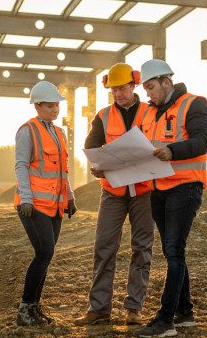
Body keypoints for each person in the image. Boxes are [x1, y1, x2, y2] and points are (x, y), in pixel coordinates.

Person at [132, 59, 207, 338]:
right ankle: (185, 312)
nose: (148, 94)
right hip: (158, 189)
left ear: (167, 82)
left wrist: (172, 151)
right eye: (145, 89)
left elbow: (203, 141)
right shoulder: (149, 113)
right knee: (172, 251)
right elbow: (139, 149)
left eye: (151, 87)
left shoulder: (194, 103)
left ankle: (166, 321)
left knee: (175, 250)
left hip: (185, 188)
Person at [74, 64, 154, 326]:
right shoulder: (103, 116)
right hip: (113, 191)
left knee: (142, 249)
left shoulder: (151, 112)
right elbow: (91, 147)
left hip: (143, 191)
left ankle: (134, 308)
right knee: (104, 247)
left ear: (134, 86)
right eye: (113, 90)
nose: (118, 94)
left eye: (121, 89)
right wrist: (97, 166)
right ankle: (99, 309)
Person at [13, 80, 77, 326]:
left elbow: (63, 170)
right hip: (33, 205)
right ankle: (25, 309)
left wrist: (69, 196)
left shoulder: (58, 132)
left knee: (46, 256)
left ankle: (34, 308)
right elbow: (20, 165)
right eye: (50, 105)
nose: (55, 110)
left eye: (57, 105)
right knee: (44, 253)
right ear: (37, 106)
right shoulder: (27, 131)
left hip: (55, 205)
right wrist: (26, 199)